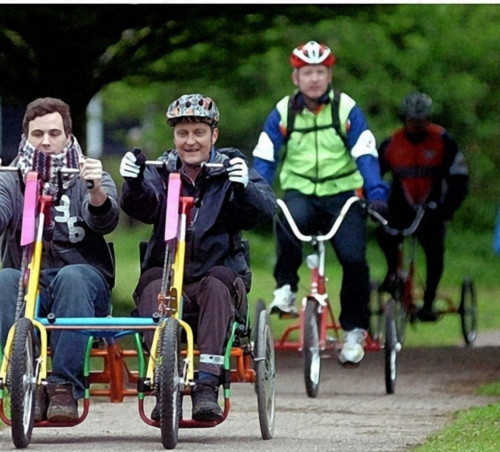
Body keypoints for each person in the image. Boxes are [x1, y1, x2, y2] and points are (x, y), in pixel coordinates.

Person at [119, 93, 276, 422]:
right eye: (183, 133)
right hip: (167, 275)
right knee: (149, 287)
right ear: (174, 137)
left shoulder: (230, 168)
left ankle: (206, 386)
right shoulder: (161, 171)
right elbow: (143, 205)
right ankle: (165, 383)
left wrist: (243, 187)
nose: (190, 141)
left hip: (215, 276)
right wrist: (133, 183)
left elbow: (263, 209)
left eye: (198, 133)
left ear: (213, 135)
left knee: (217, 285)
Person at [252, 40, 388, 366]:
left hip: (342, 196)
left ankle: (354, 330)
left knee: (354, 258)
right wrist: (255, 192)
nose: (314, 78)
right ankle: (285, 289)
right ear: (295, 77)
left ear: (329, 75)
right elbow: (265, 156)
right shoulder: (284, 111)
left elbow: (365, 153)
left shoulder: (345, 109)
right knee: (286, 218)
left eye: (320, 72)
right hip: (301, 192)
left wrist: (377, 193)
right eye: (307, 72)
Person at [0, 97, 120, 422]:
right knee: (5, 279)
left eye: (54, 133)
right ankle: (21, 379)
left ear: (68, 135)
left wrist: (95, 191)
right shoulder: (11, 178)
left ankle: (64, 385)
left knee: (73, 276)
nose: (46, 142)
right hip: (29, 276)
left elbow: (105, 221)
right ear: (26, 137)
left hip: (83, 282)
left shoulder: (89, 173)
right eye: (38, 134)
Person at [376, 92, 469, 321]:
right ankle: (393, 273)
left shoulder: (443, 141)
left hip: (432, 208)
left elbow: (459, 178)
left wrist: (448, 207)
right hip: (401, 207)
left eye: (421, 120)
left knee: (434, 251)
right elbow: (374, 176)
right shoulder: (391, 143)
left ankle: (428, 303)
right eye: (411, 120)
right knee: (385, 232)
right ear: (404, 119)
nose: (416, 125)